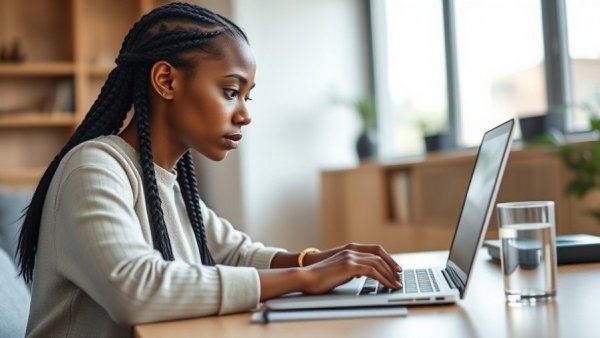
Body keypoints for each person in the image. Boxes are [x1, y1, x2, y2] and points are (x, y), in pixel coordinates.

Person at [17, 3, 402, 337]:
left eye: (247, 96)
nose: (245, 114)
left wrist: (317, 260)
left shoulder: (167, 182)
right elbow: (134, 290)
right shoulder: (94, 167)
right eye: (230, 91)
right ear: (166, 80)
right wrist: (303, 280)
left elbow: (235, 253)